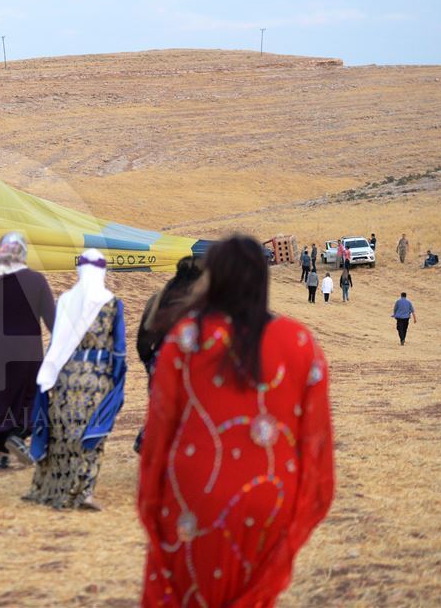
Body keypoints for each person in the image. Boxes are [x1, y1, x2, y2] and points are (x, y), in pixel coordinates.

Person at [138, 235, 334, 607]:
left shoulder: (185, 340)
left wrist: (152, 508)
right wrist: (299, 512)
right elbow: (316, 443)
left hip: (191, 499)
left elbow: (158, 439)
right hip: (269, 499)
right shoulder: (300, 342)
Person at [24, 249, 126, 510]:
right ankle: (83, 491)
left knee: (61, 432)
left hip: (66, 375)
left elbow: (58, 340)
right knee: (92, 431)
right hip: (97, 377)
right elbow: (119, 347)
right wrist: (117, 379)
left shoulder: (66, 300)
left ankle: (52, 488)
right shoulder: (111, 302)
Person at [0, 232, 55, 468]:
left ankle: (2, 450)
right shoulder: (37, 280)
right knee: (25, 398)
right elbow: (52, 319)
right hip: (29, 353)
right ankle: (14, 436)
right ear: (23, 252)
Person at [135, 256, 204, 453]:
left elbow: (143, 336)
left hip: (159, 361)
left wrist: (150, 361)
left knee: (159, 408)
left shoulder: (158, 298)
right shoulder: (200, 304)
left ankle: (150, 442)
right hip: (189, 365)